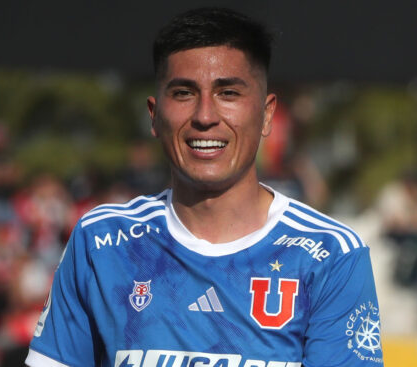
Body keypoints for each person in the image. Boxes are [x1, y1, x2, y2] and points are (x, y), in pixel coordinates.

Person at [26, 7, 384, 367]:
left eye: (228, 93)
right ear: (154, 115)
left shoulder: (330, 255)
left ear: (267, 114)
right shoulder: (102, 241)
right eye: (183, 93)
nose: (205, 116)